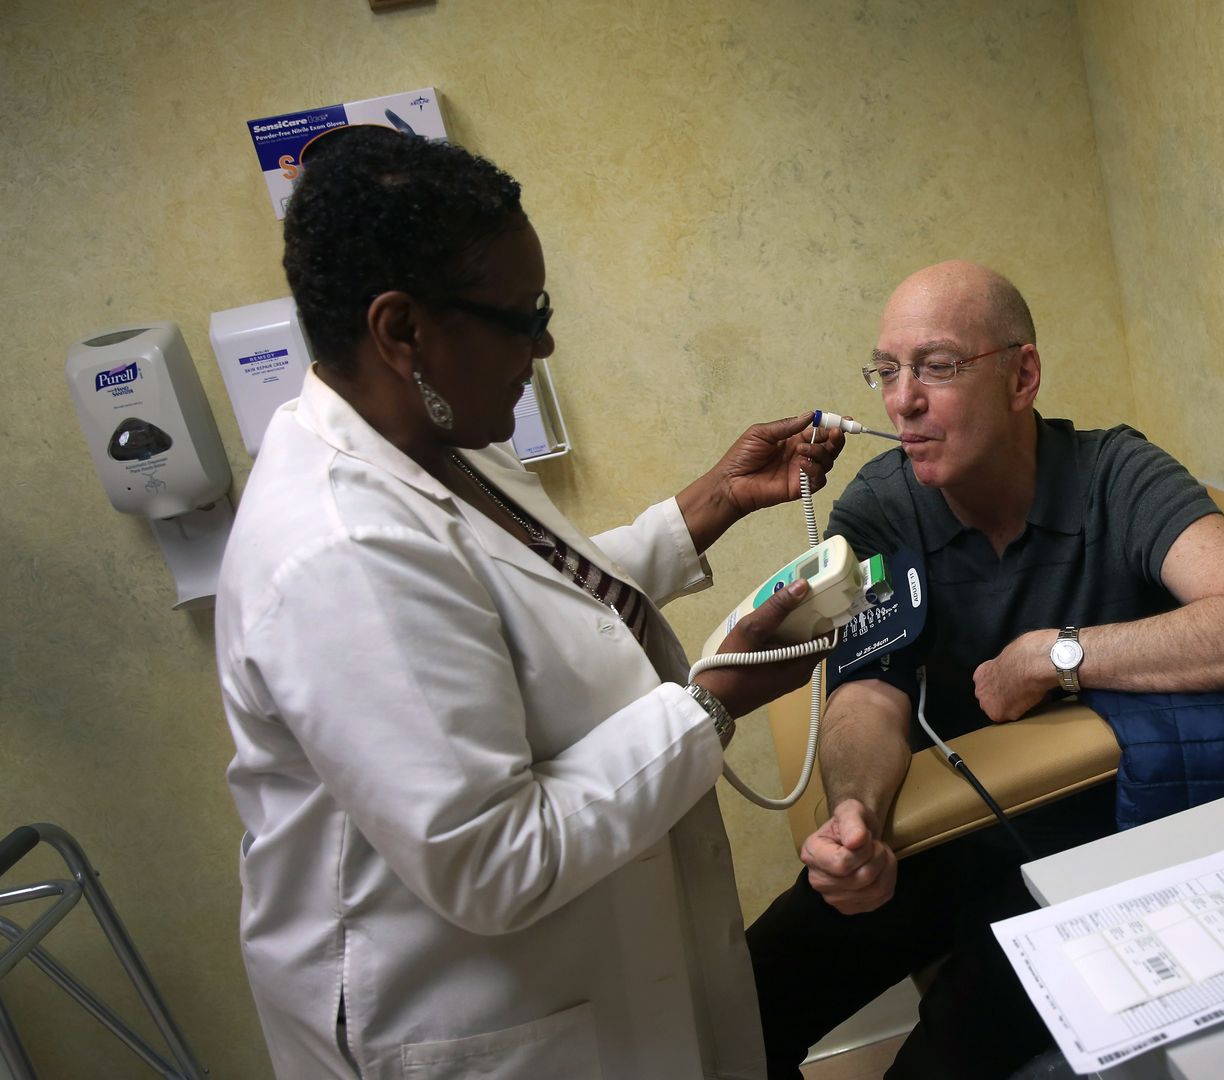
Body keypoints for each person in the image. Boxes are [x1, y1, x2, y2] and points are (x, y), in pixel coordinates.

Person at [215, 125, 843, 1079]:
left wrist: (714, 500)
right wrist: (714, 697)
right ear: (402, 331)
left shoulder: (439, 441)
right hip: (467, 1010)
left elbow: (550, 593)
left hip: (587, 971)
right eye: (521, 316)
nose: (544, 343)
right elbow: (491, 859)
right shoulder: (338, 554)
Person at [747, 261, 1224, 1077]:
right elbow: (869, 692)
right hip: (952, 831)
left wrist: (1057, 654)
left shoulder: (1117, 474)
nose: (902, 400)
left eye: (936, 367)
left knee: (948, 1051)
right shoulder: (880, 506)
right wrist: (857, 813)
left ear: (1023, 376)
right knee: (738, 1004)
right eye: (887, 372)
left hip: (1103, 840)